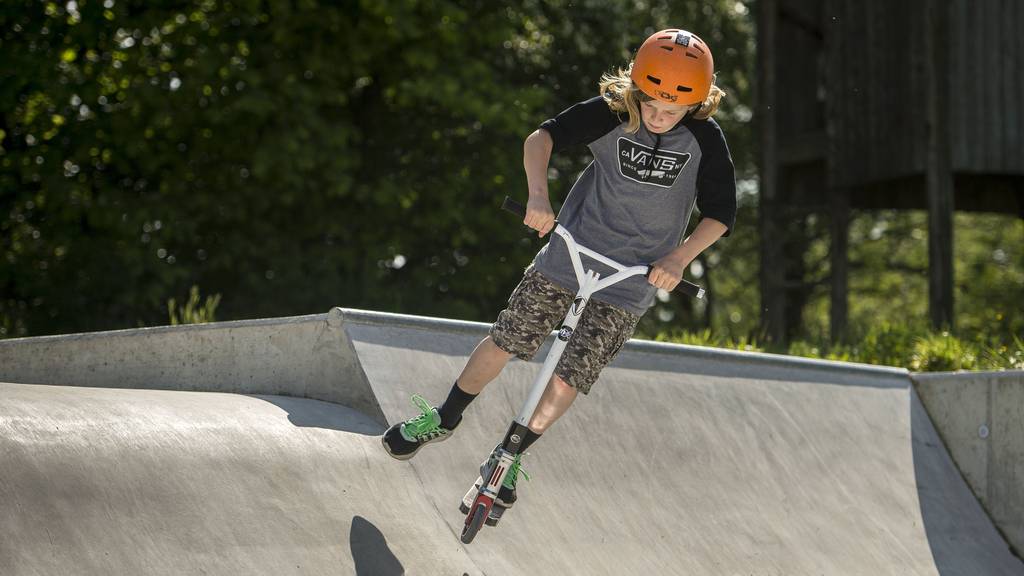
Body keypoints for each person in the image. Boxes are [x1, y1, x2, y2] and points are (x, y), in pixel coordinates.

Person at [382, 27, 736, 523]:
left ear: (696, 104)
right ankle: (445, 416)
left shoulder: (704, 138)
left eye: (670, 111)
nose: (657, 117)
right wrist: (538, 197)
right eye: (650, 104)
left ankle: (509, 457)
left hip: (634, 278)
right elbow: (541, 138)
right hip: (570, 254)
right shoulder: (614, 111)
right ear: (636, 87)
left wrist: (679, 258)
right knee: (508, 338)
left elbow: (721, 214)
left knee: (573, 375)